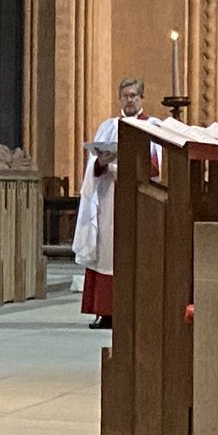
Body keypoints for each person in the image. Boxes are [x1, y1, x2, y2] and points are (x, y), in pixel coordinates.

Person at [72, 77, 157, 330]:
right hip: (109, 199)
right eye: (125, 96)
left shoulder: (153, 127)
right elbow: (92, 169)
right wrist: (101, 162)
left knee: (133, 253)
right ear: (119, 98)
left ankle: (133, 311)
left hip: (138, 199)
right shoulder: (108, 127)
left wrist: (120, 165)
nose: (129, 100)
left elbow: (156, 167)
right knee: (107, 253)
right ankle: (105, 311)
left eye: (134, 96)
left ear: (141, 98)